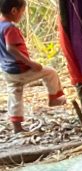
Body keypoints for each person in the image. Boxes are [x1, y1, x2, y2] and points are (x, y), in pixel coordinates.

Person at [1, 0, 65, 133]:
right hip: (20, 69)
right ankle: (54, 99)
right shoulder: (10, 28)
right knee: (50, 72)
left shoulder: (1, 25)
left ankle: (16, 126)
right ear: (14, 11)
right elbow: (11, 48)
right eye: (22, 12)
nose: (22, 16)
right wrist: (31, 63)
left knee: (15, 94)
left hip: (8, 71)